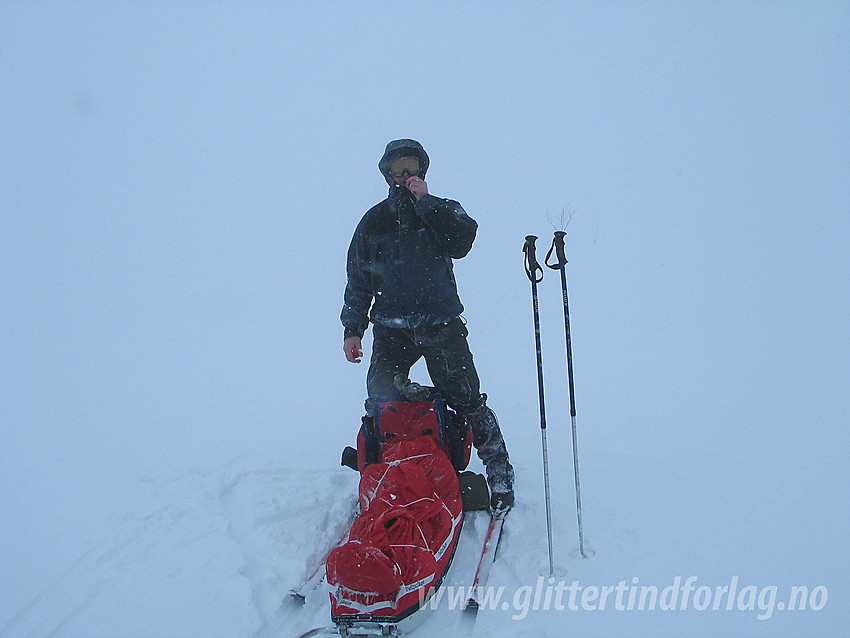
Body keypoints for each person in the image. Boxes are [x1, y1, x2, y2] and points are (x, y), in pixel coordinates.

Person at [341, 139, 515, 512]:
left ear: (422, 169)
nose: (404, 175)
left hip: (440, 323)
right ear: (386, 173)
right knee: (380, 402)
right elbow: (358, 280)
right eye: (397, 168)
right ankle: (379, 473)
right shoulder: (373, 221)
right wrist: (353, 329)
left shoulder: (441, 209)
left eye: (411, 167)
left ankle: (499, 473)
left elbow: (463, 240)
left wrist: (427, 202)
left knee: (467, 398)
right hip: (391, 328)